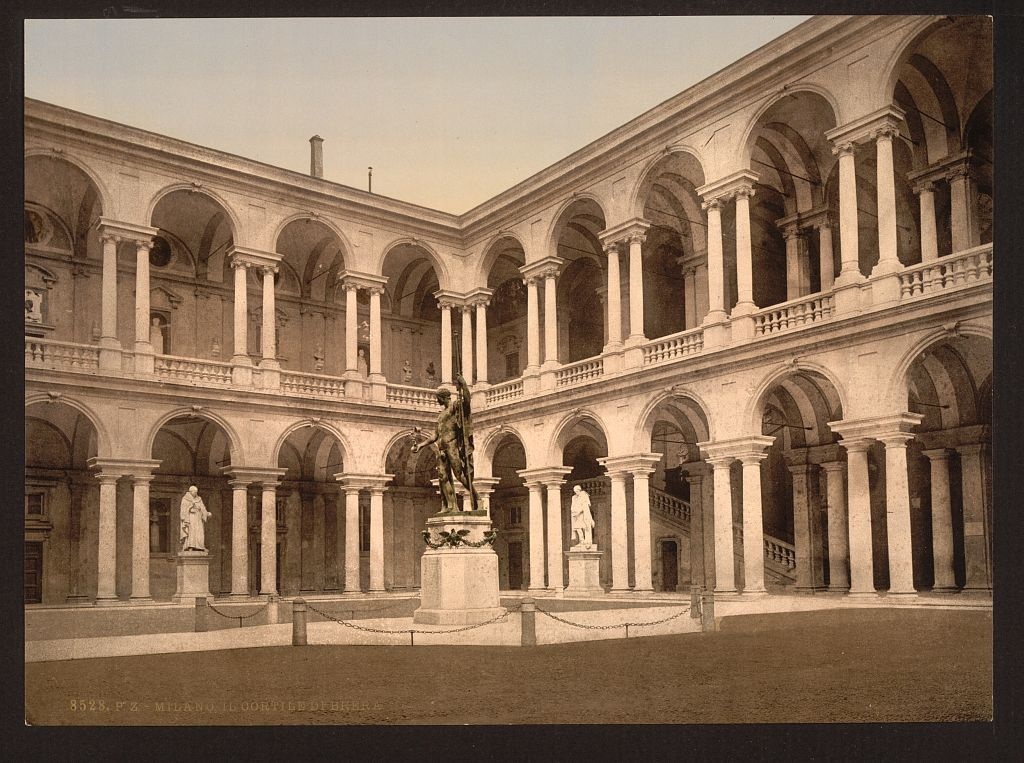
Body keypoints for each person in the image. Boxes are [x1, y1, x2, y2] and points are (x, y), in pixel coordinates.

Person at [411, 374, 478, 512]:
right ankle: (450, 506)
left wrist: (464, 384)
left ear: (442, 397)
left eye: (437, 398)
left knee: (459, 475)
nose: (437, 401)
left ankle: (476, 496)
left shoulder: (454, 407)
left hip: (452, 446)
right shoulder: (440, 415)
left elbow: (467, 401)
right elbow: (435, 435)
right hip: (441, 448)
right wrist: (421, 445)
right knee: (443, 476)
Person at [179, 485, 211, 552]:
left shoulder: (199, 499)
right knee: (191, 532)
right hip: (190, 518)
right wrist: (190, 507)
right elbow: (183, 510)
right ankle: (190, 546)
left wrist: (207, 513)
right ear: (190, 492)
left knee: (200, 532)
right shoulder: (185, 499)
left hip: (198, 518)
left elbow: (203, 508)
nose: (195, 493)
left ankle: (201, 546)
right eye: (194, 492)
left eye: (196, 492)